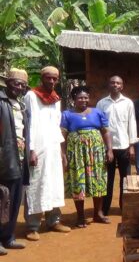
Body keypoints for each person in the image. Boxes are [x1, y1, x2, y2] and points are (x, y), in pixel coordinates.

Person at [24, 66, 70, 242]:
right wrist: (31, 150)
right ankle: (32, 226)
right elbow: (30, 125)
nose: (51, 81)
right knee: (36, 184)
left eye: (54, 79)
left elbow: (56, 126)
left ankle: (54, 221)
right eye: (48, 78)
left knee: (54, 184)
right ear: (42, 78)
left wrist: (61, 151)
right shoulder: (31, 96)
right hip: (37, 149)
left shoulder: (56, 99)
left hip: (53, 148)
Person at [61, 86, 113, 228]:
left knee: (98, 180)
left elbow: (106, 132)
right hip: (76, 153)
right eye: (80, 98)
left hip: (95, 153)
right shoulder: (67, 114)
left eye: (85, 97)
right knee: (78, 181)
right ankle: (80, 216)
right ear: (74, 100)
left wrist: (109, 150)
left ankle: (98, 213)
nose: (83, 100)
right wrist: (63, 155)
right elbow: (63, 136)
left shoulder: (98, 112)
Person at [96, 76, 137, 215]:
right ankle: (105, 209)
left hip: (124, 146)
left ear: (122, 86)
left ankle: (124, 207)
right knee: (108, 179)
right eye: (112, 82)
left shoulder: (128, 103)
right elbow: (99, 125)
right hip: (107, 148)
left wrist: (131, 146)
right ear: (109, 84)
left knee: (125, 179)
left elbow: (132, 124)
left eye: (118, 83)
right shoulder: (102, 103)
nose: (115, 84)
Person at [0, 68, 30, 255]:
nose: (18, 87)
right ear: (7, 83)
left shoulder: (20, 105)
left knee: (15, 199)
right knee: (2, 199)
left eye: (22, 85)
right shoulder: (1, 102)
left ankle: (9, 237)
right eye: (15, 83)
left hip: (19, 158)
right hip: (4, 157)